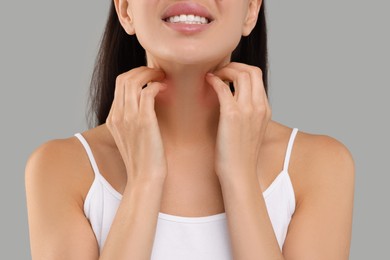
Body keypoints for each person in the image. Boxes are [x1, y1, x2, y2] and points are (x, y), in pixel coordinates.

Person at [25, 0, 355, 259]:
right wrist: (144, 180)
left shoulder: (319, 166)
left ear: (250, 10)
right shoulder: (60, 167)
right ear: (125, 9)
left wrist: (238, 176)